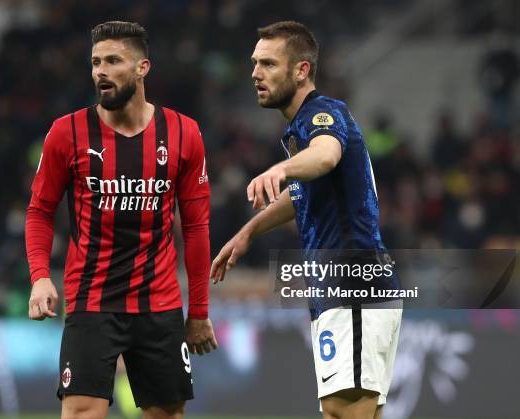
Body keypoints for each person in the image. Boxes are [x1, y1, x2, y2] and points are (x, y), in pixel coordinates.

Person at [25, 21, 217, 419]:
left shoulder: (185, 134)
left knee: (167, 413)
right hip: (91, 299)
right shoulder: (66, 133)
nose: (101, 71)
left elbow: (196, 227)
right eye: (96, 62)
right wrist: (40, 275)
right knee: (80, 411)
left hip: (159, 301)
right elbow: (40, 210)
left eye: (113, 61)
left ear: (142, 67)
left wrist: (198, 311)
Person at [210, 21, 401, 419]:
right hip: (341, 284)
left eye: (268, 64)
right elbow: (300, 195)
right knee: (351, 412)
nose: (255, 73)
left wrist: (281, 169)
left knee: (341, 411)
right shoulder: (298, 130)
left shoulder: (323, 114)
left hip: (353, 280)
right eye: (254, 63)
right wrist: (249, 230)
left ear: (301, 71)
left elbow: (326, 155)